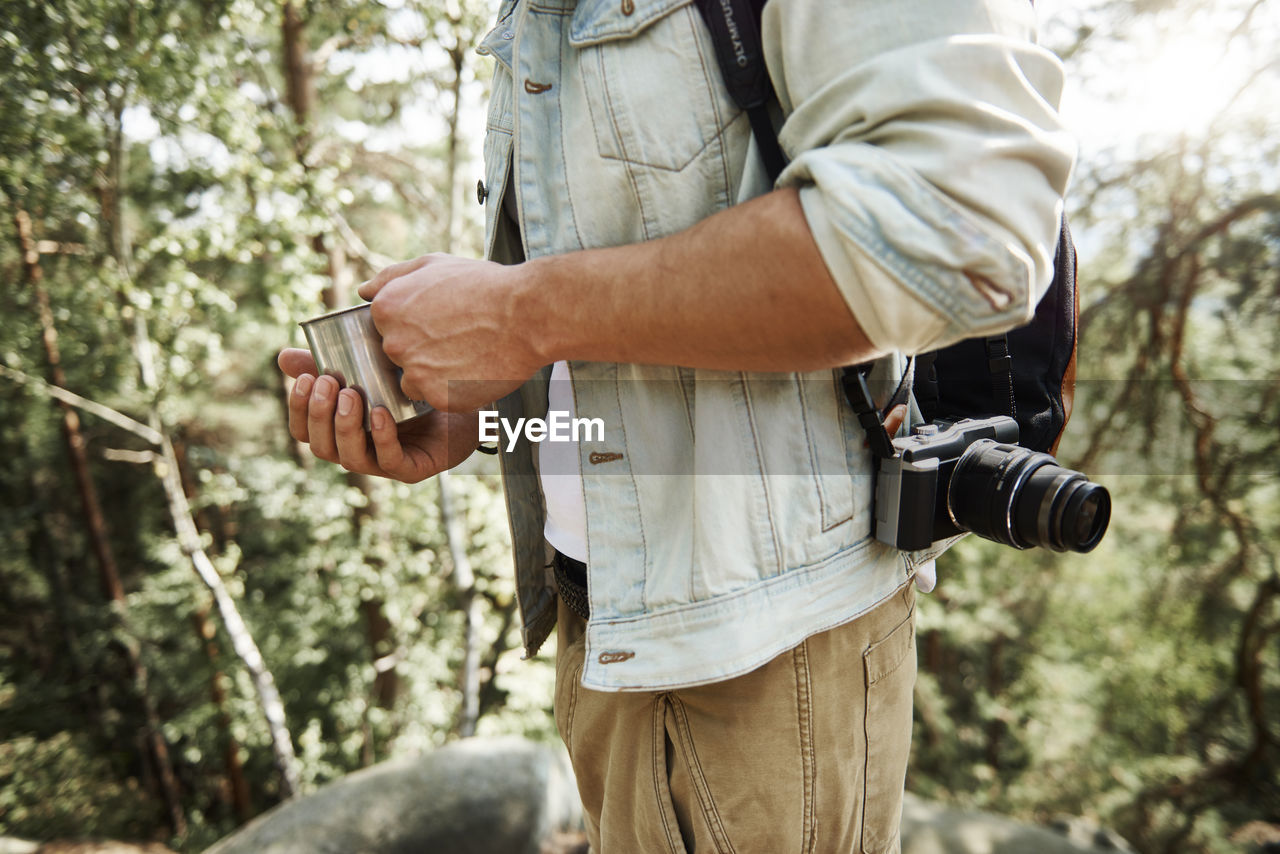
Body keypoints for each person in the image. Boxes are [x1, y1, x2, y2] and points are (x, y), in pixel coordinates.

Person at [278, 0, 1074, 849]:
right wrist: (482, 406)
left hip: (769, 657)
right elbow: (613, 288)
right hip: (602, 631)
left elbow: (954, 238)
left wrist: (519, 316)